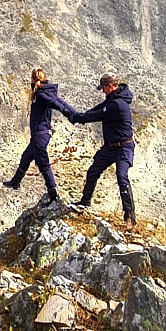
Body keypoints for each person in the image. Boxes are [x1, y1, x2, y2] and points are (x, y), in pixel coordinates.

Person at [67, 72, 137, 226]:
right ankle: (84, 203)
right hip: (110, 147)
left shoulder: (117, 105)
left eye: (104, 88)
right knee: (93, 171)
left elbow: (97, 115)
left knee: (121, 176)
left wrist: (78, 118)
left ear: (111, 86)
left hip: (124, 147)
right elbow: (97, 109)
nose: (102, 91)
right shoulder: (112, 100)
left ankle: (130, 217)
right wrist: (79, 115)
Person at [2, 68, 75, 203]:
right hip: (39, 134)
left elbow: (57, 104)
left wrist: (71, 114)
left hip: (40, 135)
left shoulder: (41, 95)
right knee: (26, 157)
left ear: (34, 79)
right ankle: (15, 182)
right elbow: (60, 102)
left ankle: (53, 193)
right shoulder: (41, 93)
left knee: (43, 163)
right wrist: (73, 112)